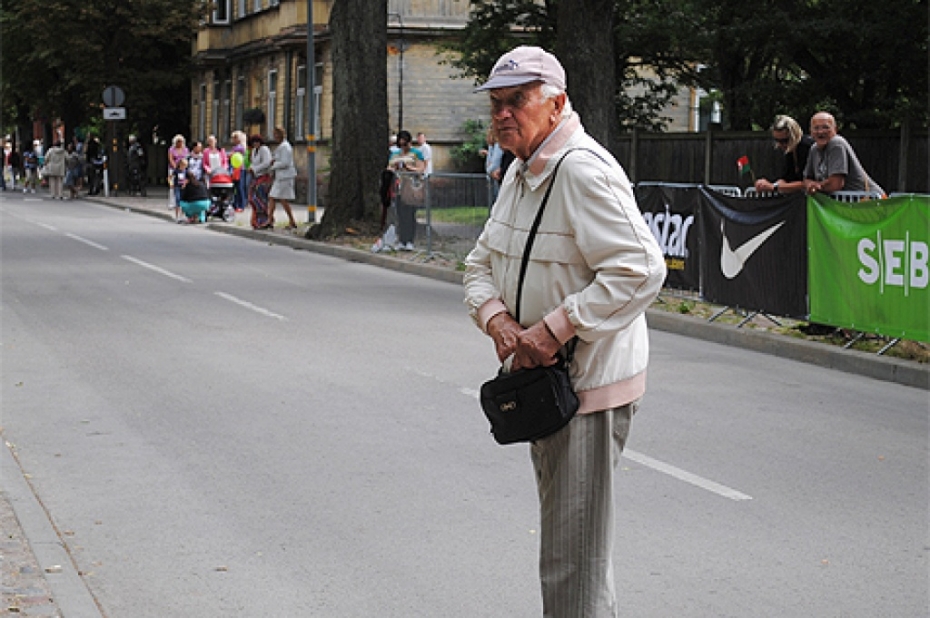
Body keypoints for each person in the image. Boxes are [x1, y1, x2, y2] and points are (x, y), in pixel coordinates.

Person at [463, 46, 666, 616]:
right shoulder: (521, 170)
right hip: (546, 387)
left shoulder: (580, 169)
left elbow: (641, 269)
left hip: (586, 391)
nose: (503, 114)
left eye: (517, 100)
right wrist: (498, 320)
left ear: (556, 104)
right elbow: (479, 264)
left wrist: (552, 330)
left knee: (573, 560)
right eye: (496, 103)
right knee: (568, 551)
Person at [804, 111, 884, 197]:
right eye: (816, 128)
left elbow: (835, 184)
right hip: (847, 202)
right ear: (811, 132)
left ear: (835, 130)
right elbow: (807, 179)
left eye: (825, 127)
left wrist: (816, 186)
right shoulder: (814, 149)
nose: (820, 132)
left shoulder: (836, 143)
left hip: (869, 200)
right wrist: (810, 184)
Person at [754, 115, 814, 194]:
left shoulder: (807, 147)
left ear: (794, 136)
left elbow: (808, 182)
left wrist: (774, 187)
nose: (780, 145)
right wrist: (770, 185)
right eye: (777, 140)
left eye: (784, 141)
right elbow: (788, 177)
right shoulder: (790, 150)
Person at [387, 130, 425, 250]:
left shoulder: (416, 153)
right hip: (398, 187)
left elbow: (421, 169)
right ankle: (402, 239)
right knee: (400, 215)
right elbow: (389, 167)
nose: (403, 147)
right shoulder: (395, 154)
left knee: (409, 214)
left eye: (405, 144)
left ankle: (409, 240)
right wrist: (393, 169)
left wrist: (409, 168)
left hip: (410, 187)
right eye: (401, 144)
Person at [268, 126, 299, 229]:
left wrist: (274, 165)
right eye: (274, 134)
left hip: (285, 176)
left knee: (281, 199)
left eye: (276, 134)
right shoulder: (281, 146)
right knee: (275, 197)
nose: (275, 137)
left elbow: (285, 163)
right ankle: (271, 219)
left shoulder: (285, 147)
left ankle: (273, 220)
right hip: (281, 177)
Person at [247, 134, 273, 230]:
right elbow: (253, 162)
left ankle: (265, 220)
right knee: (252, 198)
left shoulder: (264, 149)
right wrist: (251, 168)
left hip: (264, 177)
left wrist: (255, 169)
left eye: (257, 142)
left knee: (261, 199)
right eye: (254, 142)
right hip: (256, 177)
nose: (255, 144)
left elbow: (267, 163)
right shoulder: (254, 151)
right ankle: (257, 220)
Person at [480, 126, 504, 204]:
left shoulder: (498, 146)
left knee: (497, 200)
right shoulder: (492, 146)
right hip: (492, 177)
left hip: (495, 176)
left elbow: (495, 162)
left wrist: (488, 170)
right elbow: (490, 160)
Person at [229, 130, 249, 212]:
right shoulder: (236, 147)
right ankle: (236, 204)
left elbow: (232, 155)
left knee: (240, 187)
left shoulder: (240, 147)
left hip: (240, 169)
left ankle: (241, 204)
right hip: (235, 169)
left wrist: (231, 154)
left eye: (235, 138)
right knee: (236, 187)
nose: (233, 139)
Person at [168, 135, 189, 205]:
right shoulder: (171, 149)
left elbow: (186, 158)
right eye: (178, 142)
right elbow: (170, 158)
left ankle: (181, 202)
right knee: (172, 186)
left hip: (183, 169)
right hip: (174, 168)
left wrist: (184, 166)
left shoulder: (185, 149)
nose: (180, 143)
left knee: (182, 185)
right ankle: (172, 203)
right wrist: (175, 166)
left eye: (181, 142)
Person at [170, 158, 191, 222]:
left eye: (185, 166)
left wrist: (185, 184)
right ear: (180, 165)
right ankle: (177, 216)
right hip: (177, 186)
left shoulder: (186, 171)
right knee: (178, 200)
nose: (184, 167)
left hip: (183, 187)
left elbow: (188, 179)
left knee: (183, 201)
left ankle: (182, 216)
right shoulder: (176, 171)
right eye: (183, 165)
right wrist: (171, 184)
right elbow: (170, 177)